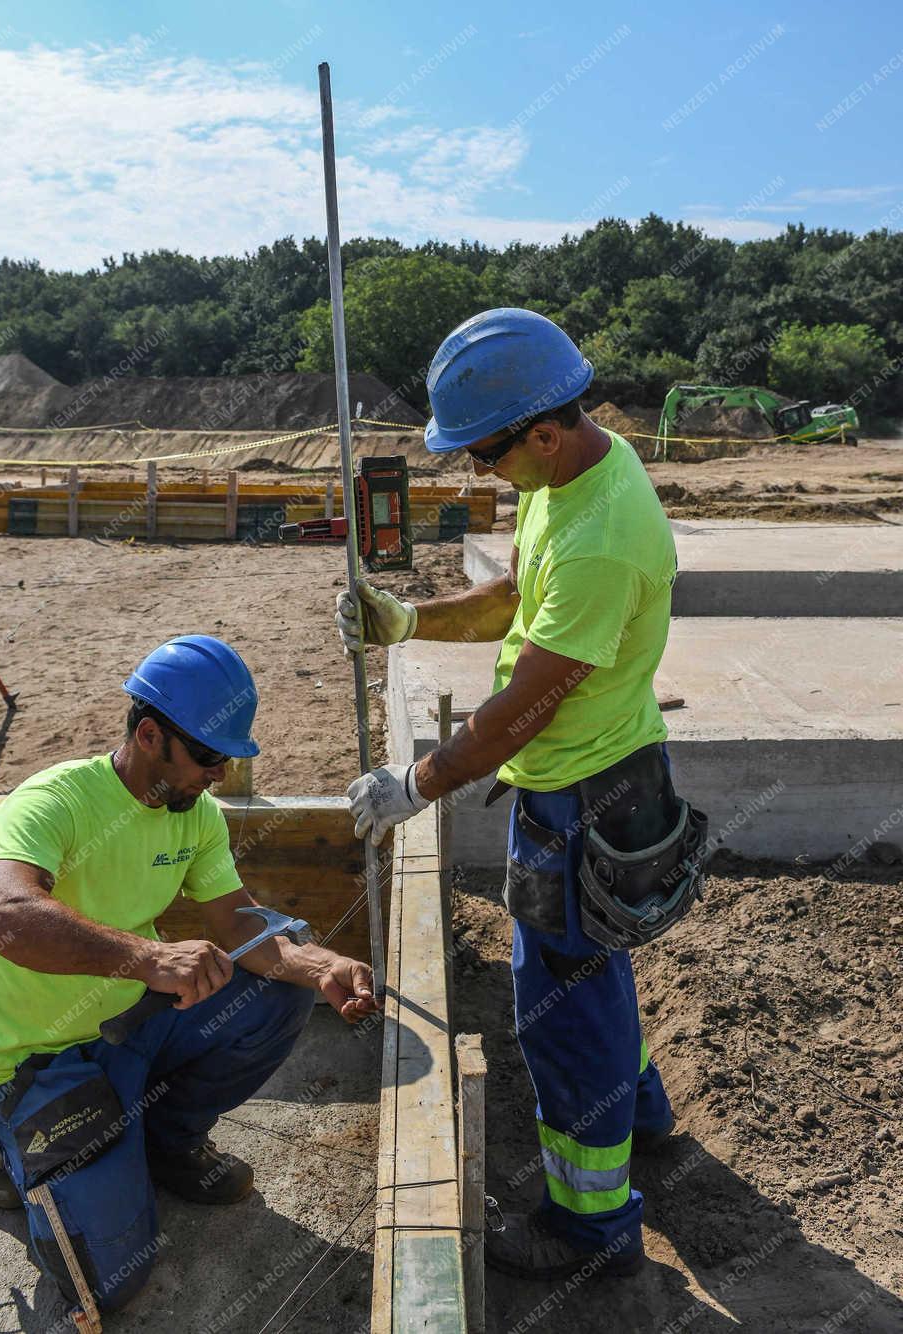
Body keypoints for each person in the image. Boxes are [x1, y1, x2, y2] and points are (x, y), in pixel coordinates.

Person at [336, 309, 707, 1283]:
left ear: (540, 429)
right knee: (593, 970)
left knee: (559, 1007)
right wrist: (409, 616)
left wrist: (412, 781)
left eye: (484, 453)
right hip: (592, 775)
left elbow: (516, 715)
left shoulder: (603, 538)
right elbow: (512, 596)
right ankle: (642, 1114)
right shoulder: (571, 472)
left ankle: (592, 1228)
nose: (477, 473)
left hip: (584, 793)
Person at [0, 635, 378, 1313]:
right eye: (208, 758)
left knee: (279, 985)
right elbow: (4, 916)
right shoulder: (53, 802)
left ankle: (165, 1141)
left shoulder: (196, 816)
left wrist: (325, 966)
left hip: (131, 1027)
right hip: (37, 1057)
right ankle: (10, 1144)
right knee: (112, 1284)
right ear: (150, 735)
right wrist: (151, 958)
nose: (217, 775)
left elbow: (242, 924)